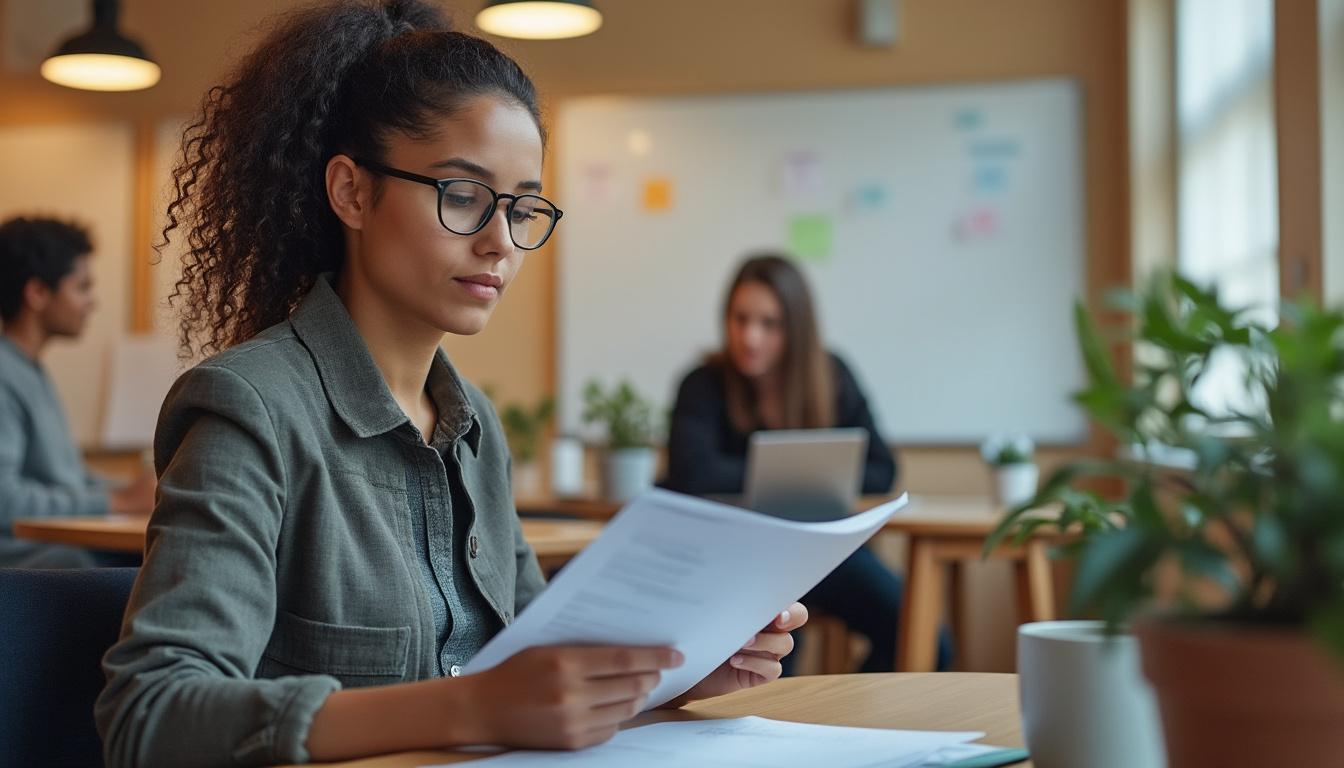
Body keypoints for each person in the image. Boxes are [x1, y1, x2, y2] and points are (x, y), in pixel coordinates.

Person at [95, 2, 805, 765]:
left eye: (522, 207)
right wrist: (470, 706)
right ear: (353, 192)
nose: (501, 242)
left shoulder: (474, 426)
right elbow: (153, 714)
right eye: (463, 196)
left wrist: (679, 674)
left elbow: (534, 656)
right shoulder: (251, 408)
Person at [663, 253, 950, 673]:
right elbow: (692, 473)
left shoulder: (831, 375)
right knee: (768, 665)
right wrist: (801, 477)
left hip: (822, 552)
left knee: (925, 641)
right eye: (740, 319)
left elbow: (883, 468)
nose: (750, 337)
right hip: (738, 558)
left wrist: (773, 479)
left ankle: (852, 728)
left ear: (796, 327)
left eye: (769, 323)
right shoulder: (703, 384)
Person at [0, 216, 155, 569]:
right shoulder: (4, 373)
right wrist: (118, 502)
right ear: (37, 293)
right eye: (82, 287)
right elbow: (4, 499)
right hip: (22, 564)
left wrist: (138, 490)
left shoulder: (30, 369)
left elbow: (69, 475)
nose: (92, 302)